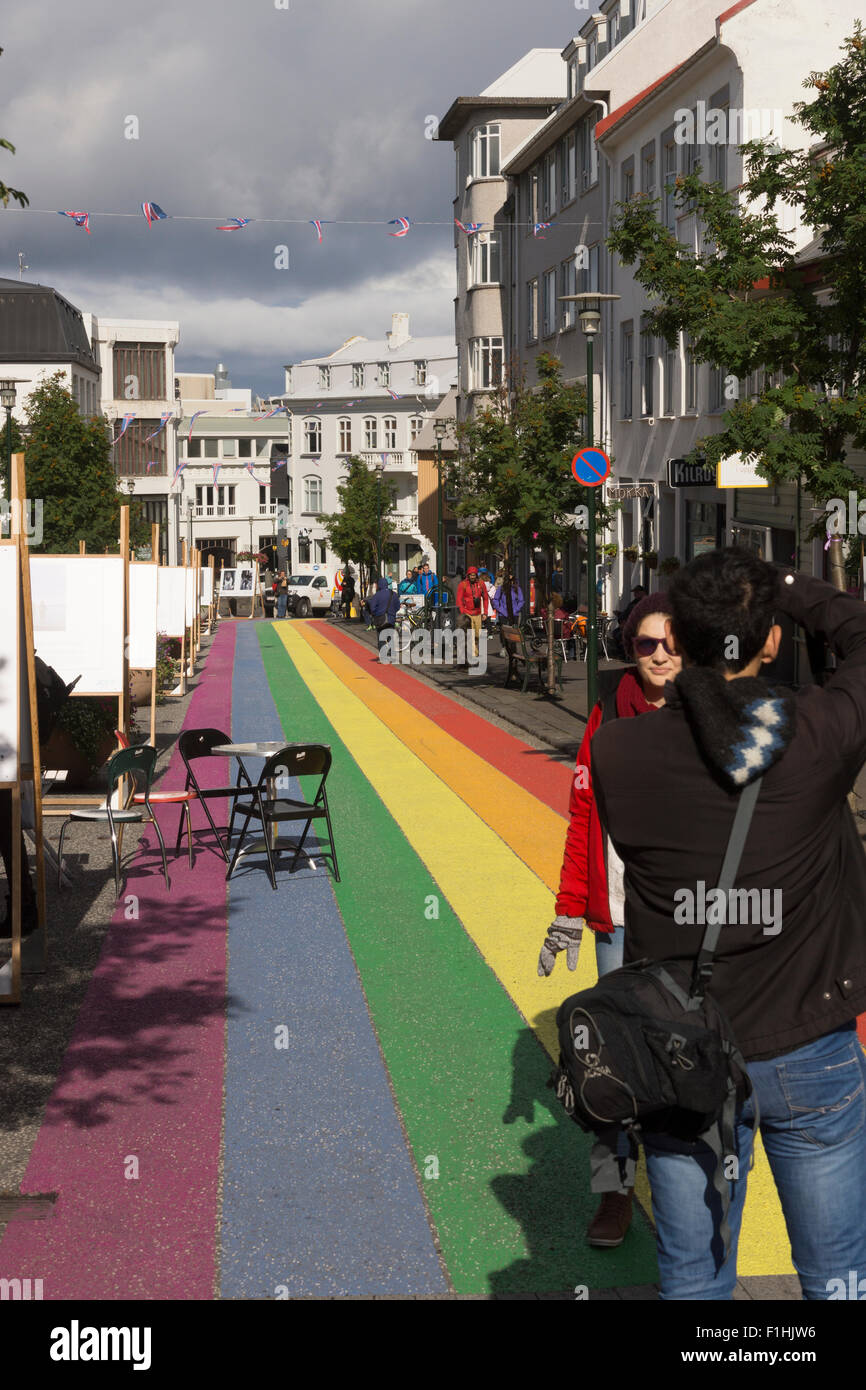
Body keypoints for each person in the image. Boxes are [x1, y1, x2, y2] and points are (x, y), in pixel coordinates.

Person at [589, 549, 866, 1300]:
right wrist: (785, 588)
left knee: (696, 1278)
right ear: (770, 640)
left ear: (678, 634)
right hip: (810, 1041)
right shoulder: (817, 736)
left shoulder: (619, 749)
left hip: (682, 1056)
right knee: (839, 1278)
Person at [538, 593, 683, 1248]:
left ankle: (687, 1191)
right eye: (648, 643)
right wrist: (569, 912)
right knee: (609, 1070)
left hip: (684, 924)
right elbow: (582, 820)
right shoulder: (606, 716)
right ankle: (615, 1196)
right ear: (632, 647)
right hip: (617, 920)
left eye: (674, 643)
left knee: (684, 1063)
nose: (661, 655)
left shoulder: (706, 716)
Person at [456, 565, 490, 662]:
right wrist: (463, 613)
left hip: (478, 613)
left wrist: (485, 613)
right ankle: (474, 655)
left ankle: (473, 649)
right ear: (468, 575)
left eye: (474, 575)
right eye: (470, 575)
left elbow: (486, 598)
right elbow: (459, 600)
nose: (472, 577)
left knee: (477, 635)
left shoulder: (481, 583)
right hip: (467, 613)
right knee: (470, 634)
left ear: (476, 575)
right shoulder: (463, 584)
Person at [367, 576, 399, 661]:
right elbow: (398, 606)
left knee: (381, 638)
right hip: (391, 619)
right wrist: (392, 613)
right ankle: (392, 656)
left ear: (380, 585)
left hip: (380, 619)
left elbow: (372, 608)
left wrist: (376, 614)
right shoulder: (393, 594)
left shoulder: (377, 595)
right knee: (390, 637)